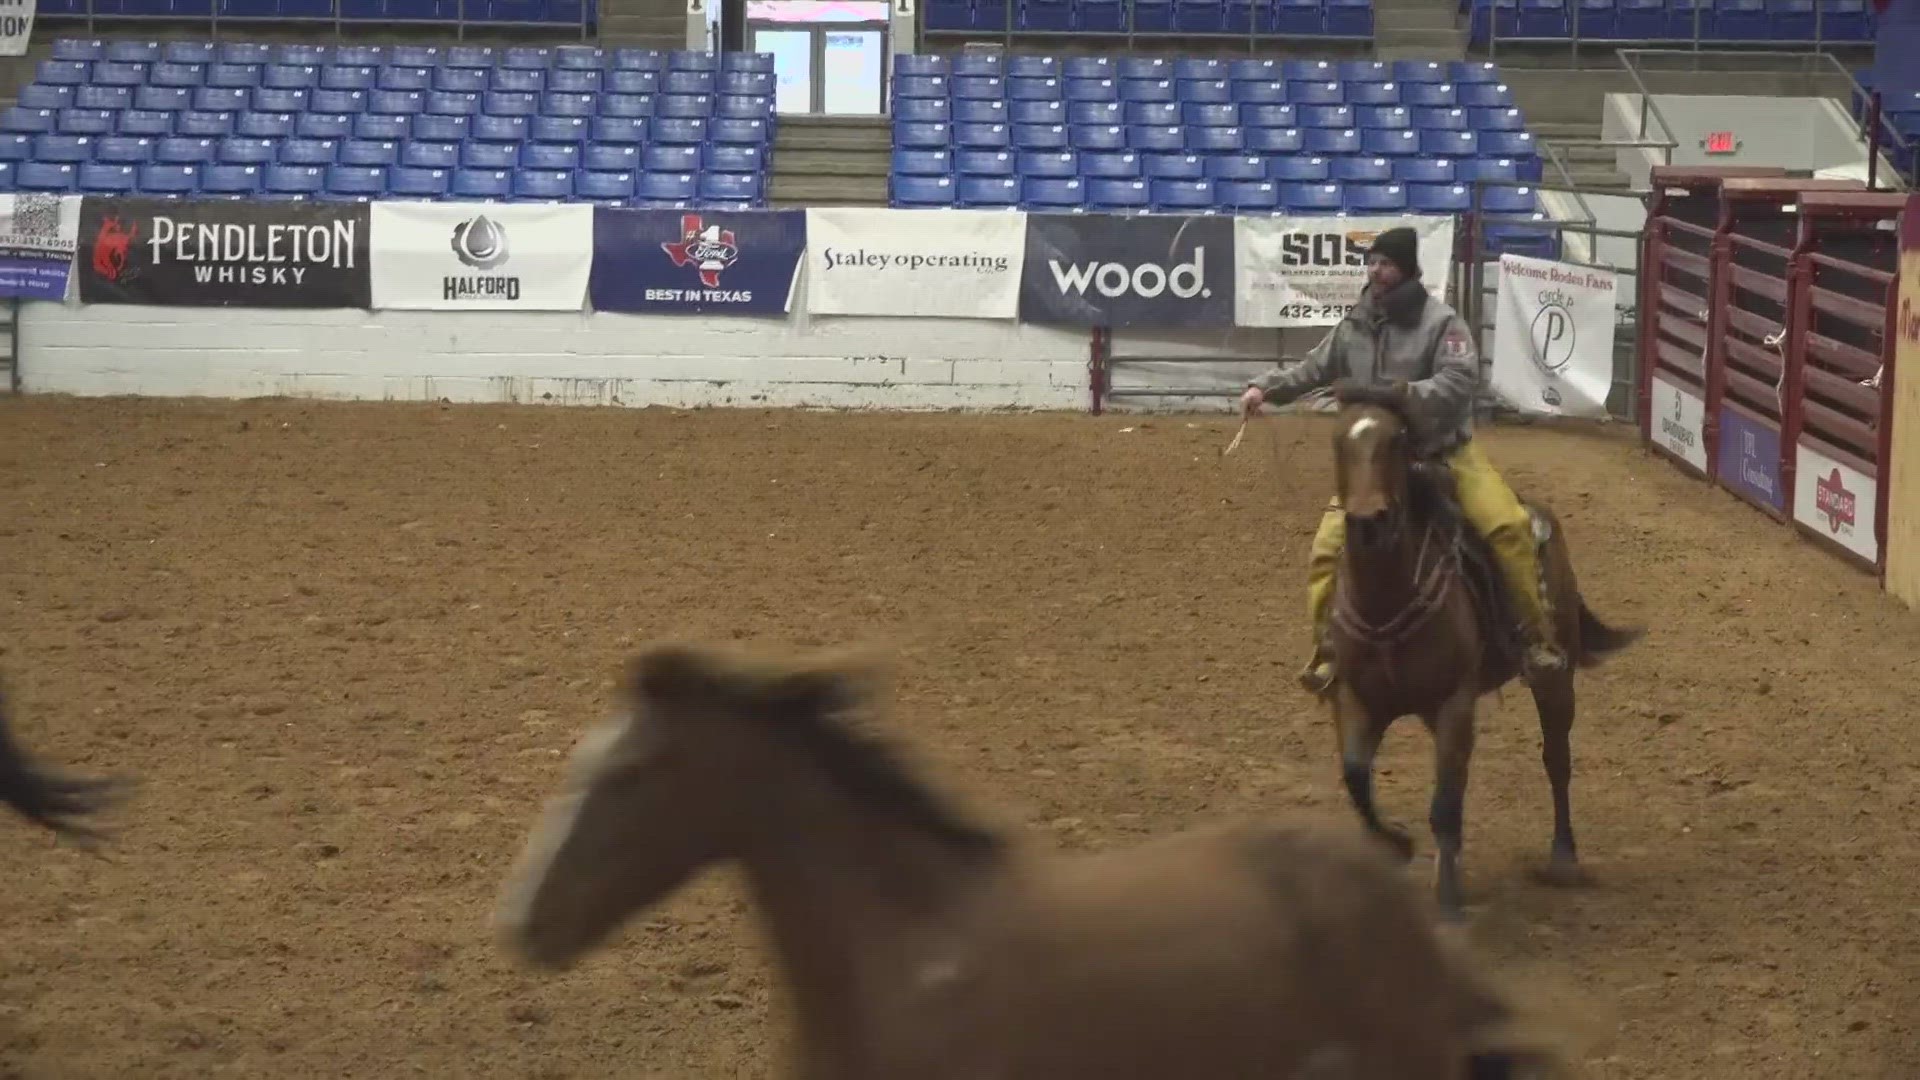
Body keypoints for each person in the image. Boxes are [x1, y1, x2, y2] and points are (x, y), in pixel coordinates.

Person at [1239, 226, 1566, 694]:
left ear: (1409, 268)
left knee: (1508, 526)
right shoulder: (1355, 323)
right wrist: (1264, 387)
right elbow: (1313, 368)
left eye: (1386, 264)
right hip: (1375, 464)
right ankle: (1329, 650)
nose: (1376, 271)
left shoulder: (1442, 324)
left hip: (1443, 453)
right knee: (1326, 551)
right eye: (1371, 263)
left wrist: (1396, 395)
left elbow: (1459, 383)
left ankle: (1535, 639)